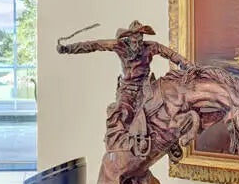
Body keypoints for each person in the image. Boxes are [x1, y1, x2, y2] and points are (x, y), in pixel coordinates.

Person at [57, 21, 189, 154]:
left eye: (140, 41)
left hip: (146, 86)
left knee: (165, 106)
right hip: (127, 89)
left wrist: (186, 65)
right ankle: (115, 147)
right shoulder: (119, 46)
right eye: (134, 42)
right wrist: (68, 49)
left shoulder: (151, 47)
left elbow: (171, 54)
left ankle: (170, 140)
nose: (137, 45)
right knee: (120, 113)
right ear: (129, 39)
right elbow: (94, 45)